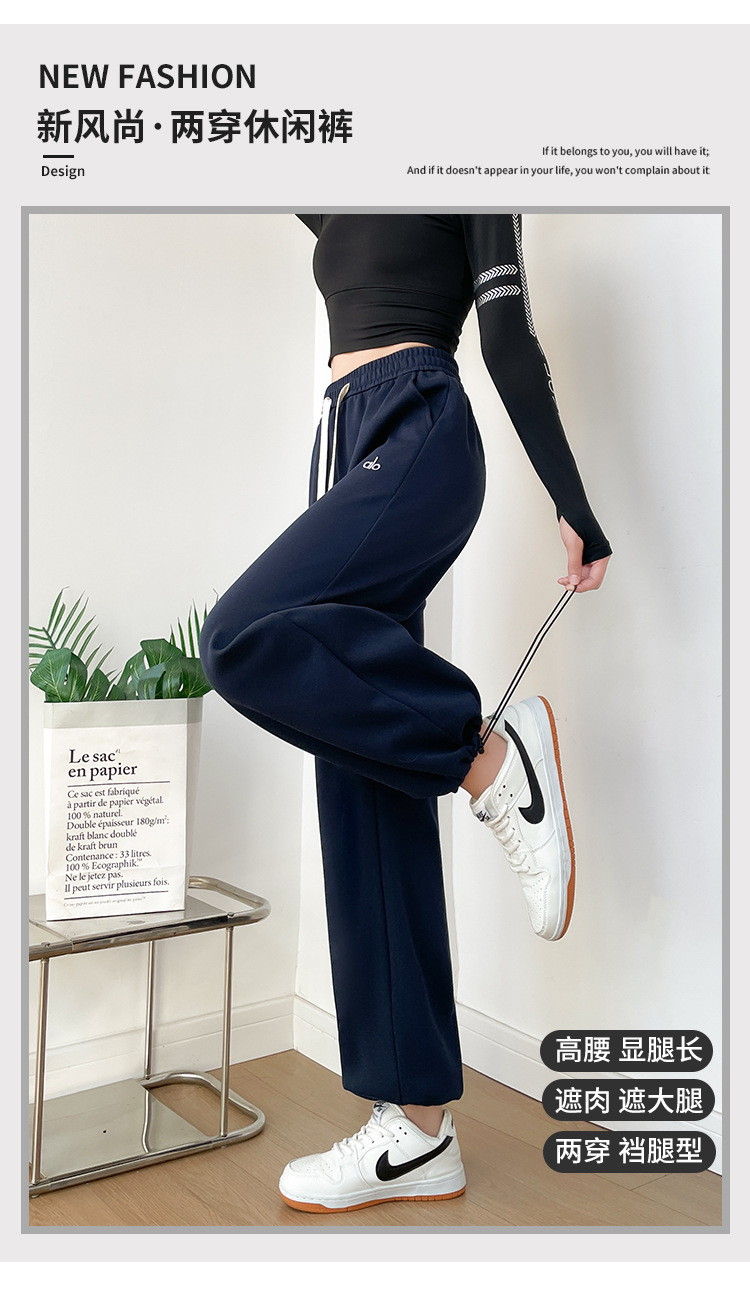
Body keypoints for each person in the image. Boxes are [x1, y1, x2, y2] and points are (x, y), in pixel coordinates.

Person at [200, 213, 611, 1214]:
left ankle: (490, 763)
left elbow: (507, 331)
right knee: (363, 762)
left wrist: (570, 499)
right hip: (342, 443)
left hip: (420, 426)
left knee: (240, 638)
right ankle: (418, 1130)